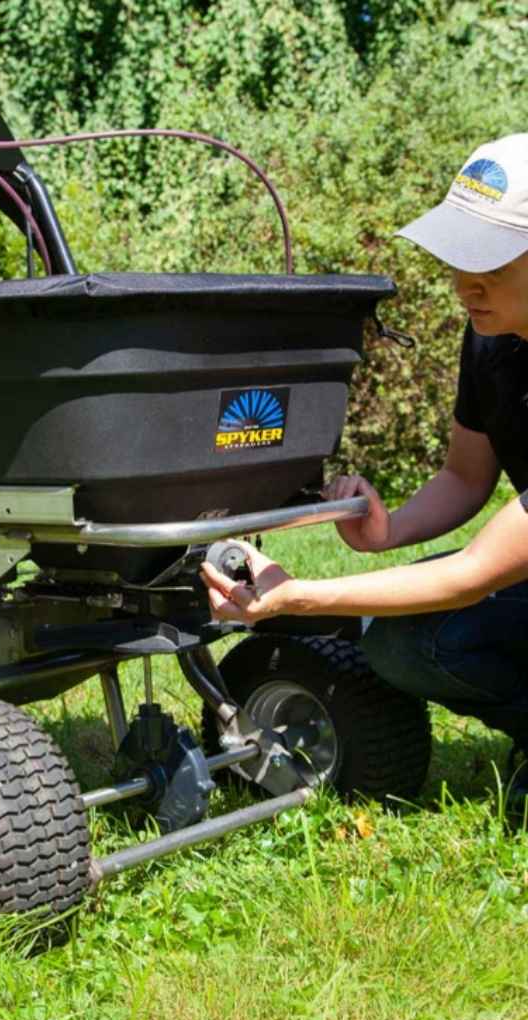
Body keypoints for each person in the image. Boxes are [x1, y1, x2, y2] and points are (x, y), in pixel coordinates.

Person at [200, 133, 528, 801]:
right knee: (403, 641)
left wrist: (296, 598)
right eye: (456, 257)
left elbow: (472, 575)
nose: (464, 285)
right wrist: (387, 531)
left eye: (488, 264)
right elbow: (468, 477)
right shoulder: (492, 337)